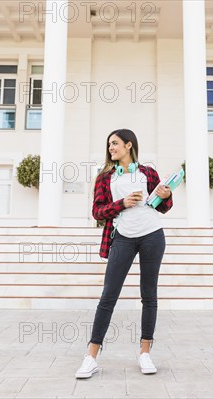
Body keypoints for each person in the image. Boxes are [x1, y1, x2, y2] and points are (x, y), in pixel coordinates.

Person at [75, 128, 173, 379]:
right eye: (109, 144)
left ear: (129, 145)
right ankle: (91, 357)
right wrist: (122, 203)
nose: (111, 148)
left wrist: (166, 195)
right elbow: (97, 212)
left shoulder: (148, 172)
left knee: (149, 295)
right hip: (122, 238)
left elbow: (162, 207)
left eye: (115, 143)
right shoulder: (105, 177)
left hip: (152, 234)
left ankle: (145, 353)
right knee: (108, 296)